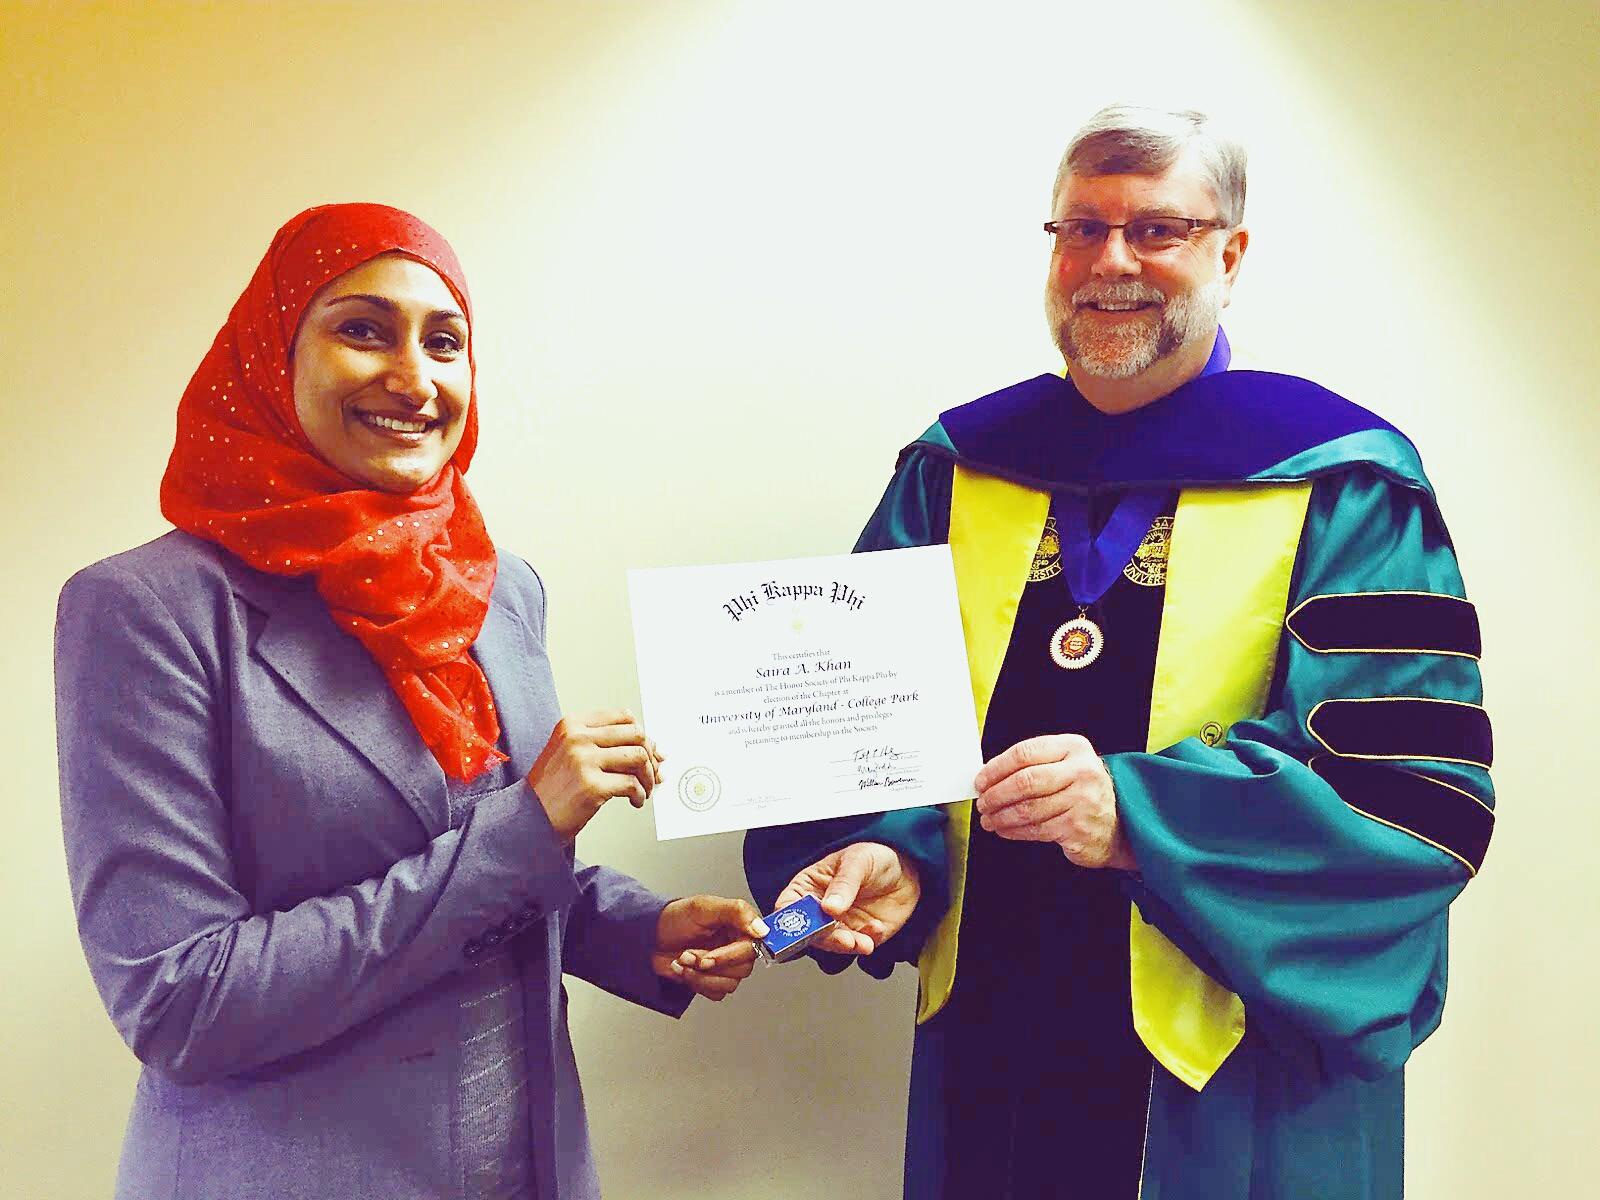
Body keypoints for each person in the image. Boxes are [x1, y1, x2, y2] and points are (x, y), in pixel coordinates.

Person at [745, 106, 1495, 1199]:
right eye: (1082, 229)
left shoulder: (1343, 482)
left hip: (1228, 1055)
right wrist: (889, 854)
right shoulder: (955, 470)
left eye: (1157, 231)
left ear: (1229, 255)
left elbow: (1407, 796)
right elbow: (867, 729)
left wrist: (1139, 818)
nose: (1111, 263)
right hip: (992, 1025)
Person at [56, 203, 765, 1200]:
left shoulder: (494, 586)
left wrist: (635, 931)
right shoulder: (148, 611)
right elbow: (181, 1000)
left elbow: (478, 859)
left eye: (444, 342)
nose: (414, 378)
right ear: (270, 353)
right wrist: (529, 828)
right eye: (362, 330)